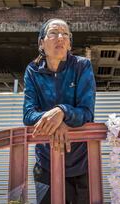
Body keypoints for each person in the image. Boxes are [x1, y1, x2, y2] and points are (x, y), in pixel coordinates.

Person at [23, 18, 96, 204]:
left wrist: (62, 111)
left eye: (65, 34)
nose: (60, 37)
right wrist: (56, 122)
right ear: (41, 42)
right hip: (45, 162)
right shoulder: (32, 70)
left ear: (70, 43)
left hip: (80, 162)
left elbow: (86, 112)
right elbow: (28, 115)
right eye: (54, 33)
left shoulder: (82, 66)